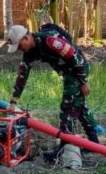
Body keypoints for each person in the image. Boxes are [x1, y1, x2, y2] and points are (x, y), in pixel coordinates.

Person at [5, 23, 100, 159]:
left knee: (68, 108)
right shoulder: (30, 52)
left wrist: (84, 81)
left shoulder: (49, 40)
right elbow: (22, 75)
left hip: (77, 70)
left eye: (19, 46)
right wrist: (13, 101)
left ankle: (64, 148)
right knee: (79, 106)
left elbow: (74, 57)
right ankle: (94, 143)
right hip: (69, 72)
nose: (20, 50)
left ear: (25, 38)